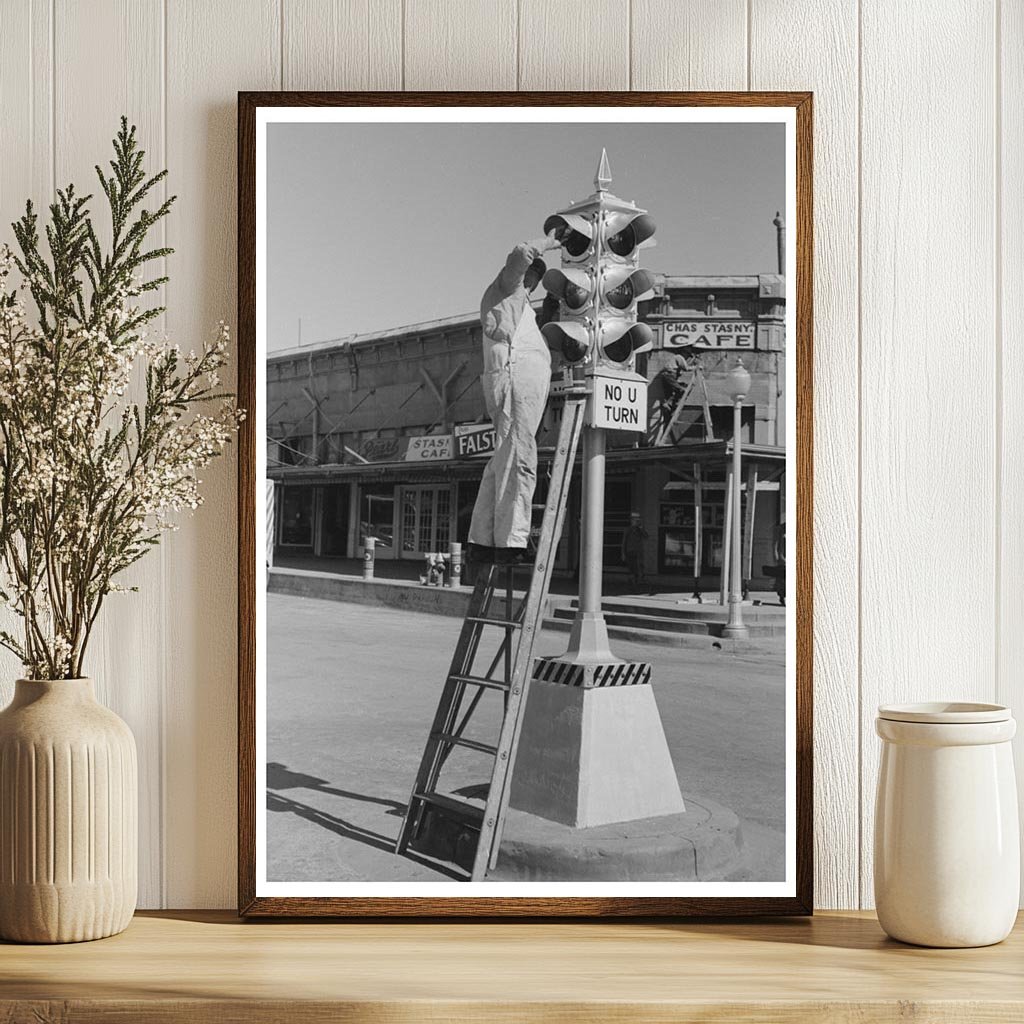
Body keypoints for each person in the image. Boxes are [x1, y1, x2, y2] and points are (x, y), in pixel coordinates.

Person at [467, 231, 562, 566]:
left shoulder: (523, 309)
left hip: (519, 381)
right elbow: (521, 253)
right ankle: (511, 541)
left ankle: (483, 538)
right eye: (532, 275)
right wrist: (550, 242)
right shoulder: (506, 288)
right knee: (520, 458)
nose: (532, 282)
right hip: (514, 379)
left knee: (502, 460)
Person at [621, 512, 649, 589]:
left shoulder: (639, 529)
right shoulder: (628, 529)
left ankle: (637, 581)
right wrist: (623, 553)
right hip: (630, 551)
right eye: (634, 520)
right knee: (632, 567)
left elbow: (646, 536)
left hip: (638, 551)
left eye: (637, 520)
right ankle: (632, 581)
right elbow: (624, 542)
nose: (635, 522)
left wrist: (641, 528)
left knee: (638, 567)